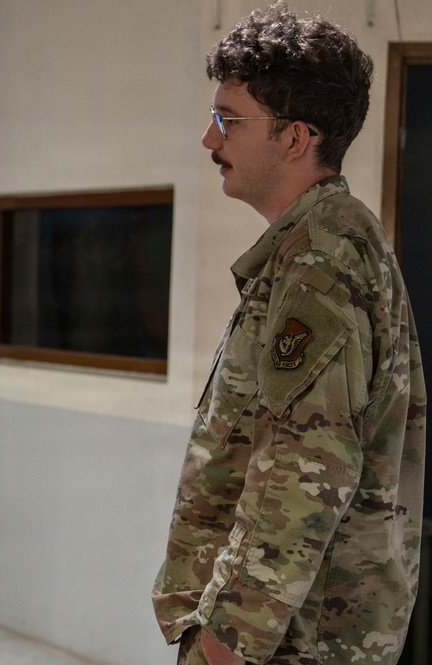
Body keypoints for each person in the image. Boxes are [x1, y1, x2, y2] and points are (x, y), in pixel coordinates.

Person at [152, 3, 426, 664]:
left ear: (296, 138)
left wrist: (225, 642)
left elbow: (310, 467)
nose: (210, 140)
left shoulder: (321, 257)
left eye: (229, 121)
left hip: (289, 645)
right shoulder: (317, 243)